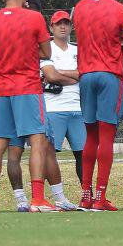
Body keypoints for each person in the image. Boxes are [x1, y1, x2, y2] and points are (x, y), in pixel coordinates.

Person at [0, 0, 57, 212]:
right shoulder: (34, 18)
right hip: (27, 87)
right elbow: (47, 52)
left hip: (3, 91)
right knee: (37, 141)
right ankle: (38, 198)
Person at [71, 0, 123, 211]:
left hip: (86, 75)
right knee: (107, 136)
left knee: (91, 136)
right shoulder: (121, 10)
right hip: (110, 75)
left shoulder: (80, 8)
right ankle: (100, 197)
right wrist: (115, 49)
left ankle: (85, 195)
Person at [41, 12, 85, 177]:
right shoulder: (46, 50)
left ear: (71, 27)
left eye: (66, 23)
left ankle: (87, 195)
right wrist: (73, 76)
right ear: (51, 27)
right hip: (53, 108)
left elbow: (83, 73)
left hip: (77, 108)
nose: (63, 26)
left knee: (83, 155)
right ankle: (52, 196)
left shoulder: (77, 50)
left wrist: (59, 72)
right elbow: (50, 76)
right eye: (58, 23)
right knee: (49, 155)